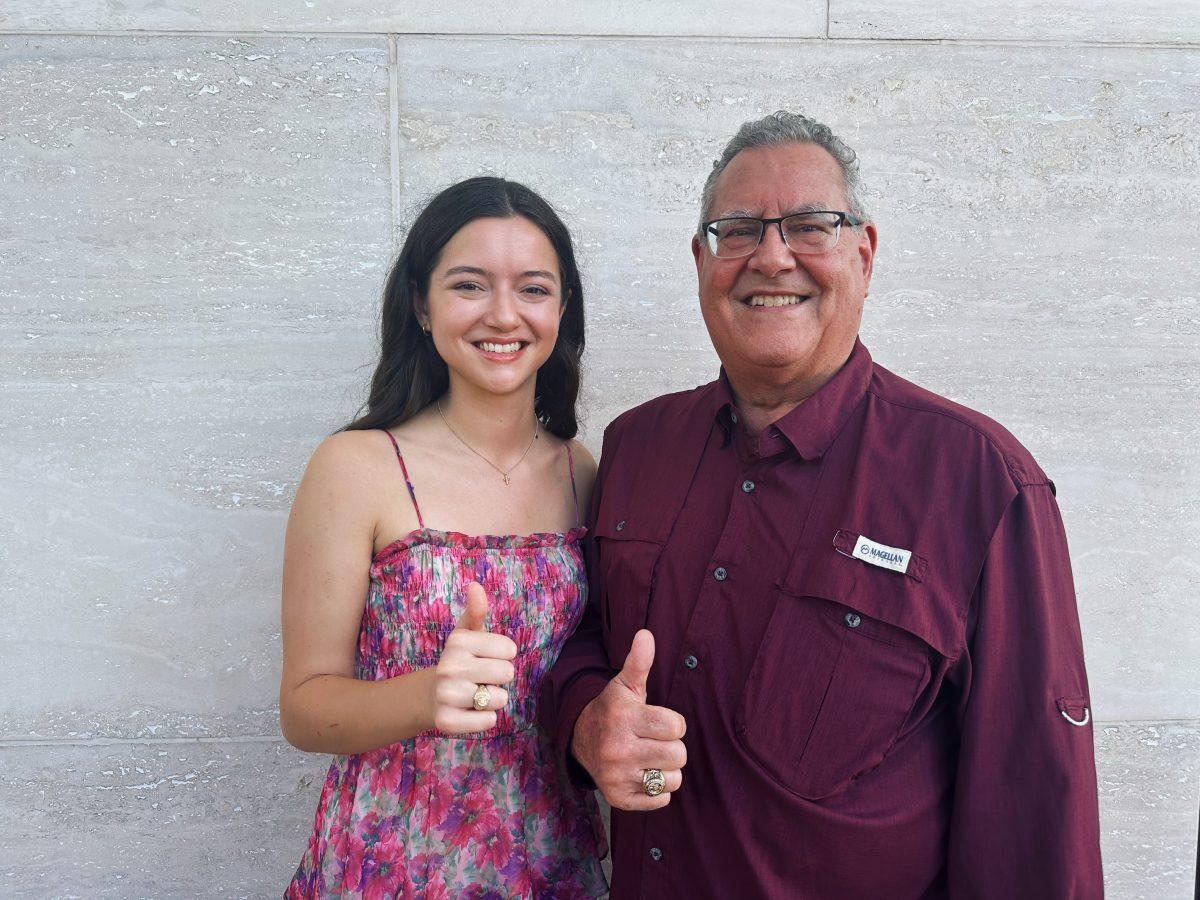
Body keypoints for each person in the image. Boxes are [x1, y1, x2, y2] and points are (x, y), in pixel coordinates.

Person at [544, 112, 1104, 898]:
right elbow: (586, 643)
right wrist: (584, 724)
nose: (771, 256)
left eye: (810, 225)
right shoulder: (636, 447)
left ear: (864, 255)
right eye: (736, 230)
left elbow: (1032, 811)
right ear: (701, 261)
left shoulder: (981, 482)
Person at [280, 177, 608, 898]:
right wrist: (424, 696)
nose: (503, 314)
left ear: (561, 310)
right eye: (469, 285)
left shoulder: (582, 473)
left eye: (533, 288)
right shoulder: (357, 467)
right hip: (389, 860)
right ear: (422, 307)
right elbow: (304, 707)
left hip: (551, 863)